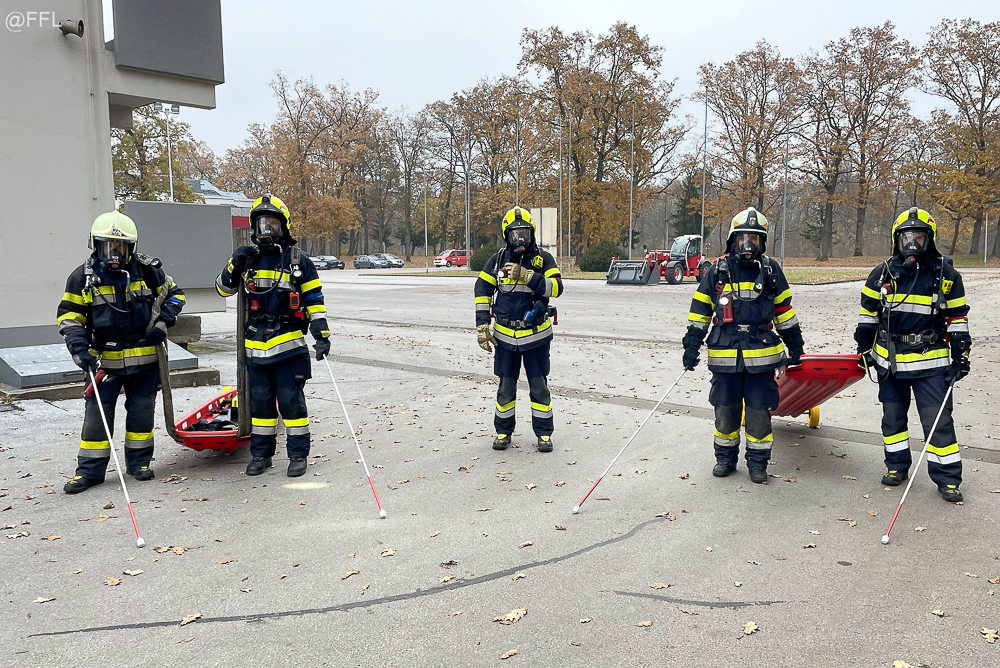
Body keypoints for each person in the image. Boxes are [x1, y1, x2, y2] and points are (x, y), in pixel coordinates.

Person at [57, 211, 185, 493]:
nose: (114, 253)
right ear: (95, 245)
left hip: (145, 358)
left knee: (141, 413)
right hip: (103, 362)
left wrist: (163, 322)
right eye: (107, 246)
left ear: (131, 248)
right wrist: (79, 349)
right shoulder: (81, 278)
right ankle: (89, 472)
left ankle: (139, 464)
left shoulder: (148, 271)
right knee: (97, 418)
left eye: (120, 247)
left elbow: (176, 294)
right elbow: (70, 317)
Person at [854, 207, 970, 502]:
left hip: (931, 362)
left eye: (918, 236)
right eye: (906, 237)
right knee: (892, 419)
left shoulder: (946, 274)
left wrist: (961, 356)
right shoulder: (883, 273)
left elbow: (957, 318)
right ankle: (896, 467)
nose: (912, 243)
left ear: (929, 239)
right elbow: (867, 315)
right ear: (897, 239)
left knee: (938, 422)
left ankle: (948, 479)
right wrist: (864, 348)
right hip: (890, 361)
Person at [682, 207, 804, 484]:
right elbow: (700, 310)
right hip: (725, 355)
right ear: (732, 240)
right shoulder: (718, 271)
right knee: (725, 410)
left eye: (754, 239)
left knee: (759, 414)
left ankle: (758, 464)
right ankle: (725, 459)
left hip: (762, 358)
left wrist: (796, 347)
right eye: (742, 239)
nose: (748, 245)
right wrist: (691, 345)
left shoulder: (771, 271)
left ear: (762, 242)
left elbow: (784, 312)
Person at [216, 194, 330, 477]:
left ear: (283, 227)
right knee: (261, 405)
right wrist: (234, 263)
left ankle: (298, 455)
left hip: (289, 346)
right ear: (253, 227)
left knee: (291, 402)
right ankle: (261, 455)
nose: (266, 229)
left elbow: (314, 299)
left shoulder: (297, 261)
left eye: (272, 224)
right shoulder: (247, 260)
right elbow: (222, 289)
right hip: (255, 348)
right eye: (261, 223)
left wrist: (321, 334)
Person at [474, 207, 563, 452]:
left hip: (536, 337)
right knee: (505, 388)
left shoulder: (543, 259)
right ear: (507, 236)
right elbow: (481, 289)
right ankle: (503, 432)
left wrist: (528, 276)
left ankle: (544, 435)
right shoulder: (497, 261)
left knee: (539, 388)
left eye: (524, 233)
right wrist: (482, 325)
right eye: (515, 234)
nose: (520, 239)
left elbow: (557, 287)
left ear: (532, 233)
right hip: (504, 339)